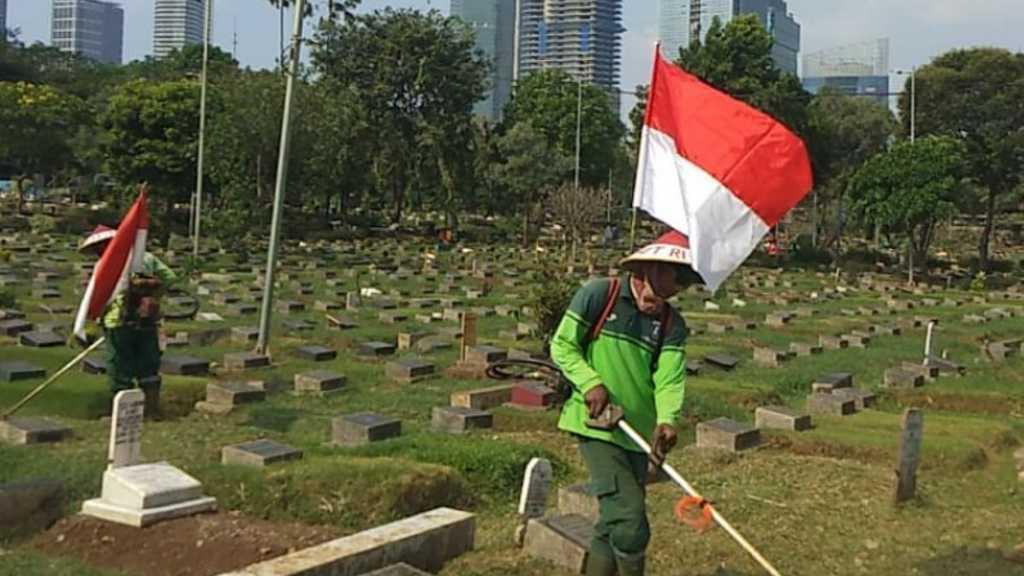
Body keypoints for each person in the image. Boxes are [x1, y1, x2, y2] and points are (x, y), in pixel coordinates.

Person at [550, 230, 701, 576]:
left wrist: (667, 421)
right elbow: (562, 345)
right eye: (676, 276)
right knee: (631, 523)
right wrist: (591, 383)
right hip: (597, 425)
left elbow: (669, 378)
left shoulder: (671, 324)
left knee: (612, 522)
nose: (679, 286)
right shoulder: (600, 295)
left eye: (686, 281)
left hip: (637, 432)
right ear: (650, 268)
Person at [79, 224, 176, 417]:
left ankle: (123, 414)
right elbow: (170, 277)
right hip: (147, 321)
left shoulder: (105, 264)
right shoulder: (145, 257)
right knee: (148, 365)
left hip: (118, 323)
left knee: (119, 367)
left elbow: (99, 295)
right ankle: (151, 410)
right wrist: (154, 294)